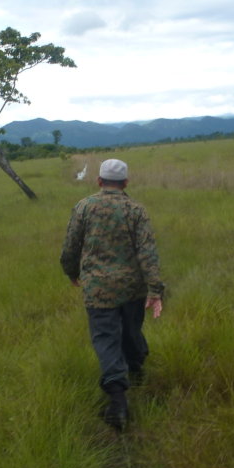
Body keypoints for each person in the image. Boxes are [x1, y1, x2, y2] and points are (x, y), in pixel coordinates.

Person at [60, 158, 164, 430]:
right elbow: (148, 253)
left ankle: (117, 401)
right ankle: (137, 369)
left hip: (98, 290)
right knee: (131, 331)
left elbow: (71, 246)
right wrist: (155, 289)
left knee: (106, 339)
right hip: (133, 288)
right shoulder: (136, 210)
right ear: (126, 183)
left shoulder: (84, 207)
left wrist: (71, 272)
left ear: (99, 181)